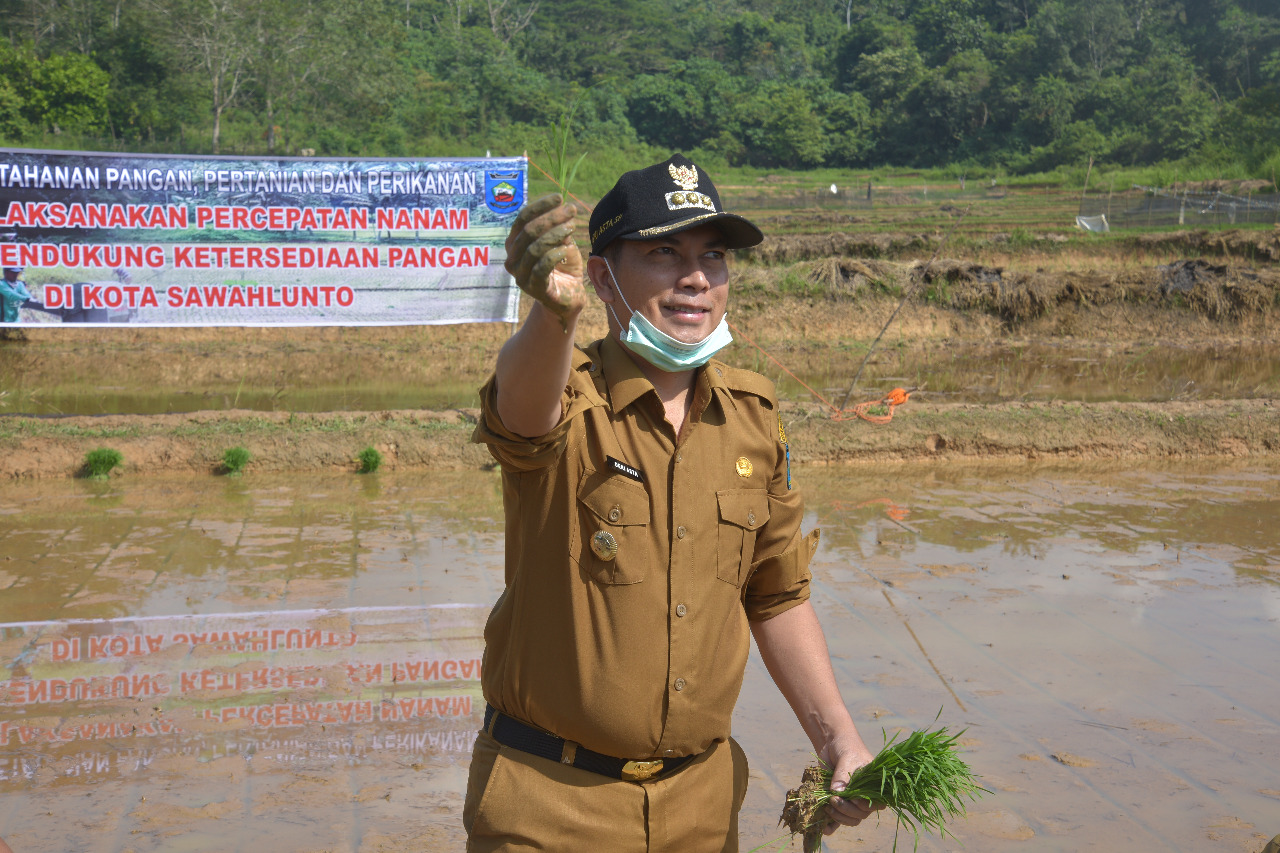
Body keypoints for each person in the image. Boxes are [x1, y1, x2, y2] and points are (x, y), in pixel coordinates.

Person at [464, 153, 883, 852]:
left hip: (701, 806)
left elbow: (776, 592)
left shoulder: (752, 415)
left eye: (712, 256)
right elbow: (522, 409)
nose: (695, 277)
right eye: (664, 253)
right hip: (549, 806)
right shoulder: (571, 394)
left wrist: (839, 738)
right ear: (602, 276)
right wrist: (552, 313)